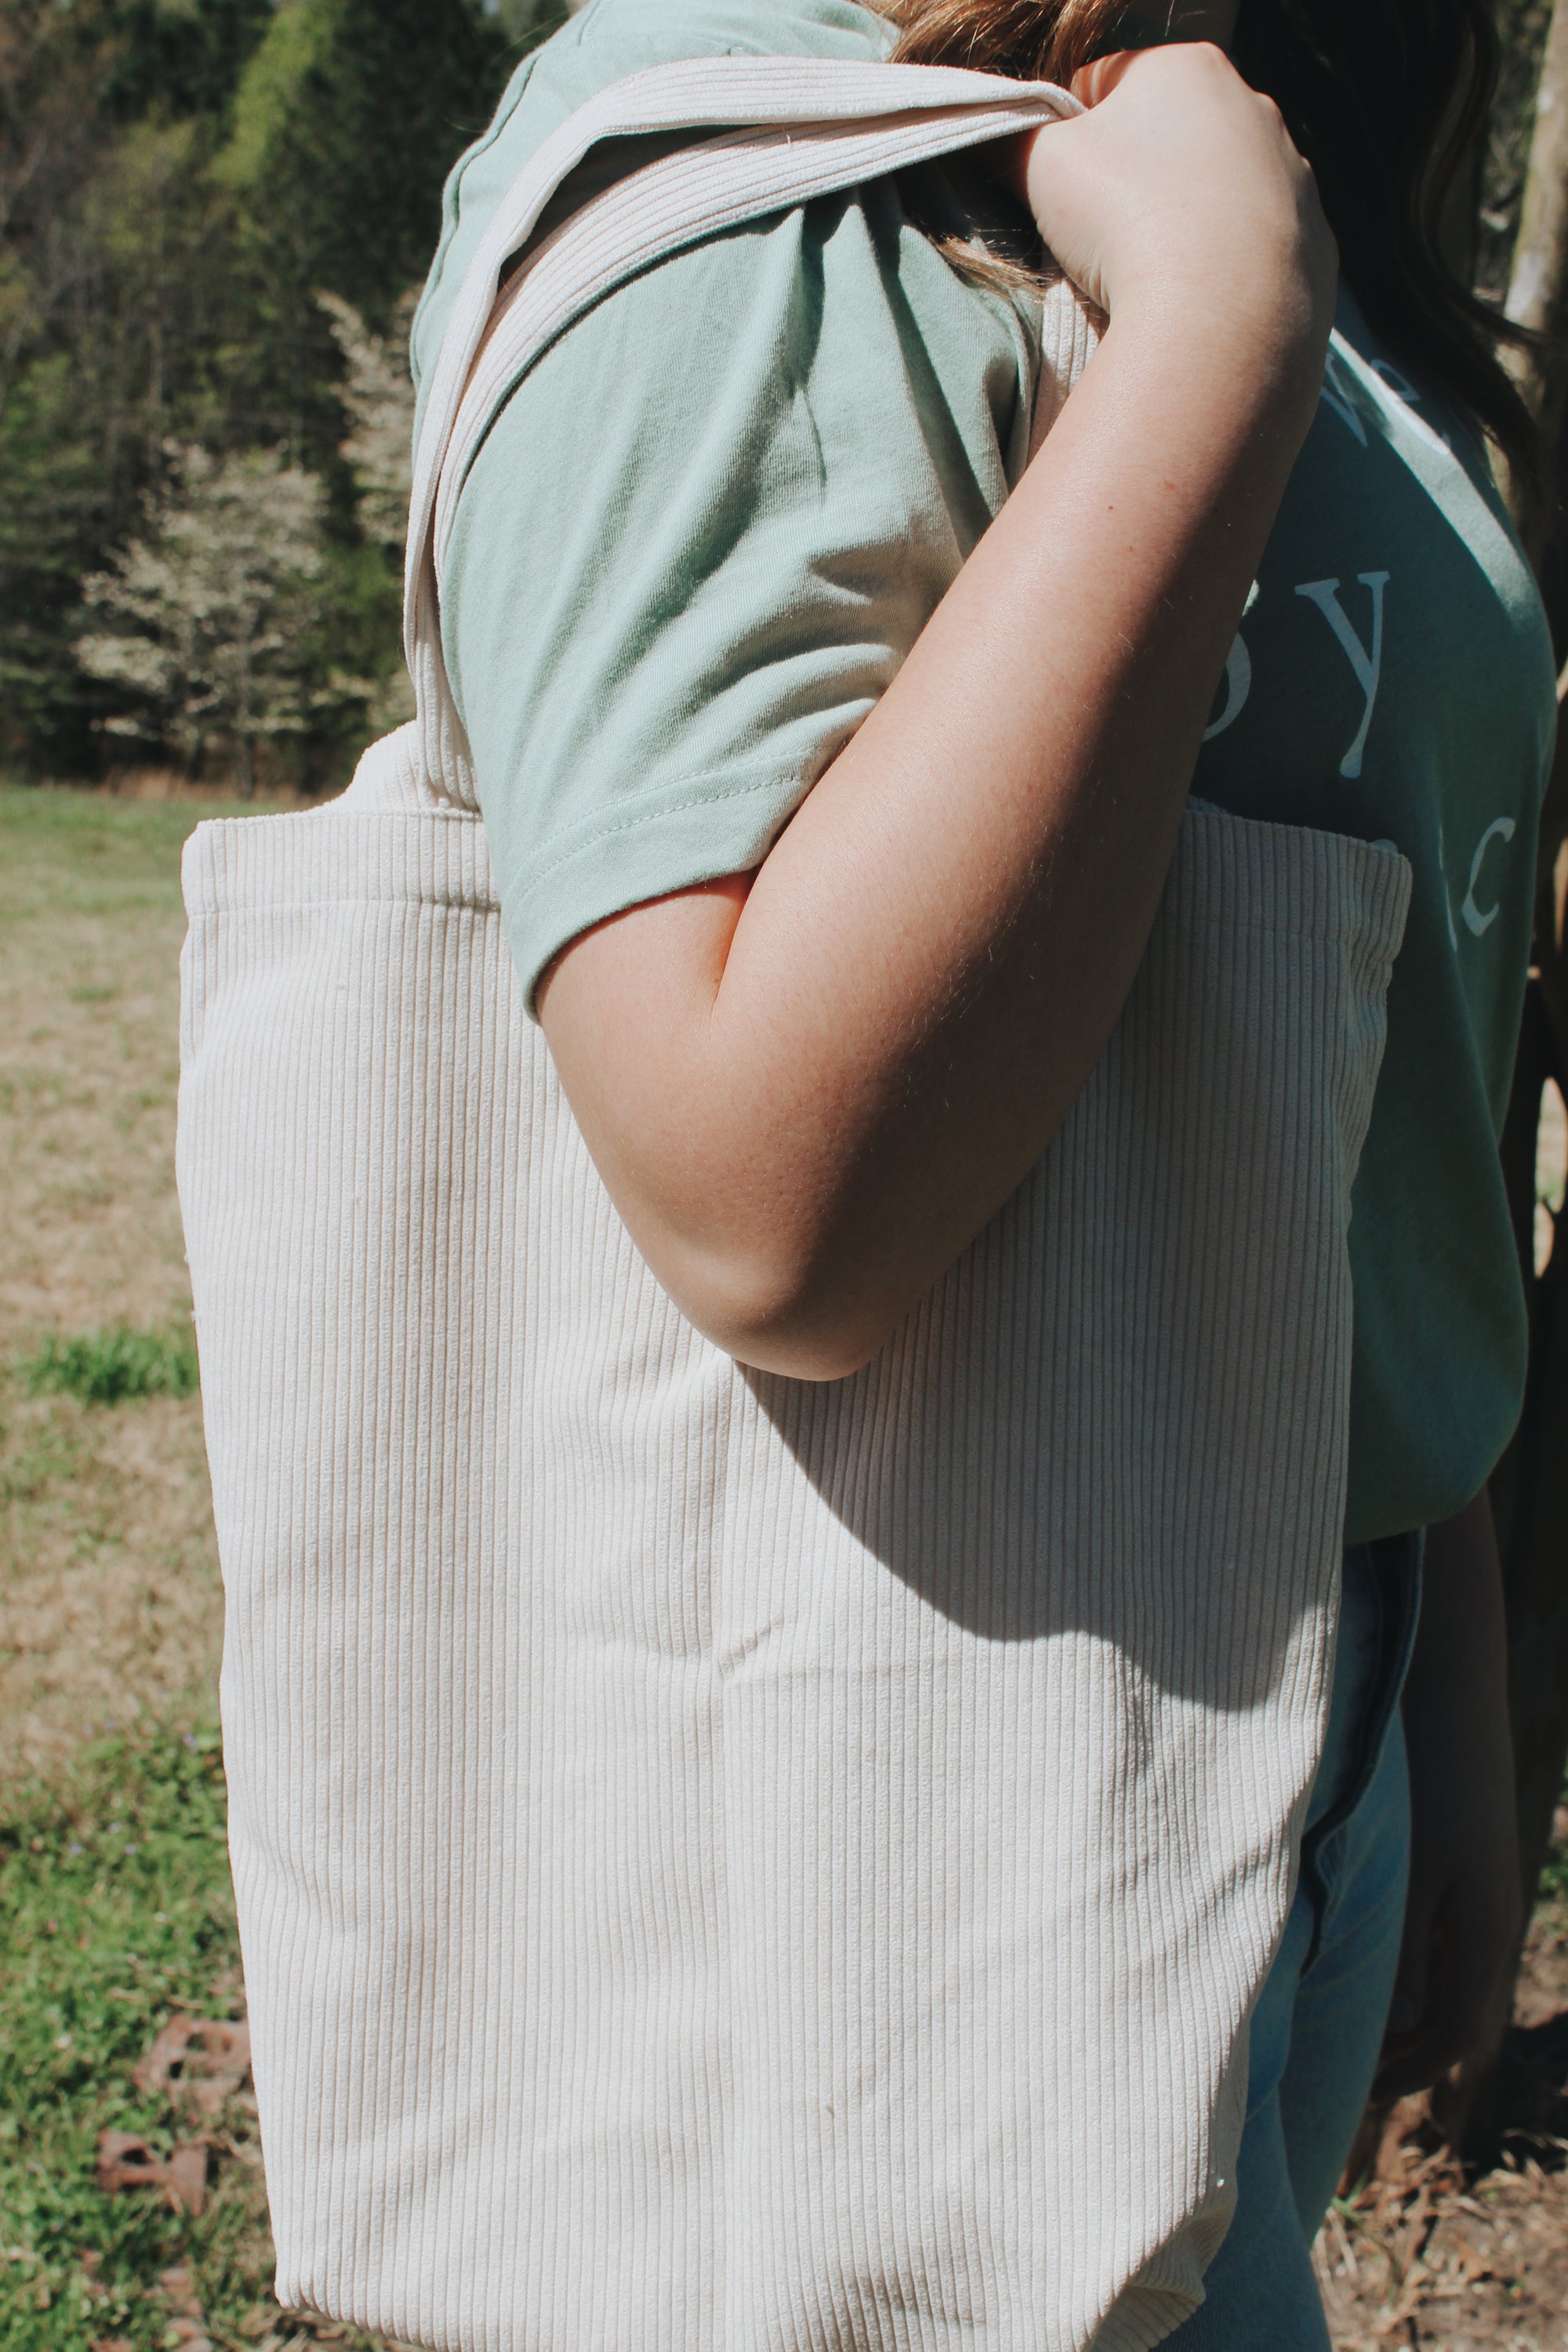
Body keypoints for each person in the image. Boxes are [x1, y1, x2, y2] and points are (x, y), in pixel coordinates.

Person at [412, 0, 1555, 2336]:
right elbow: (767, 1204)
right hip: (921, 1792)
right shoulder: (757, 185)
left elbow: (1370, 1002)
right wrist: (1214, 337)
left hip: (1297, 1700)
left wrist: (1447, 1678)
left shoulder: (1242, 121)